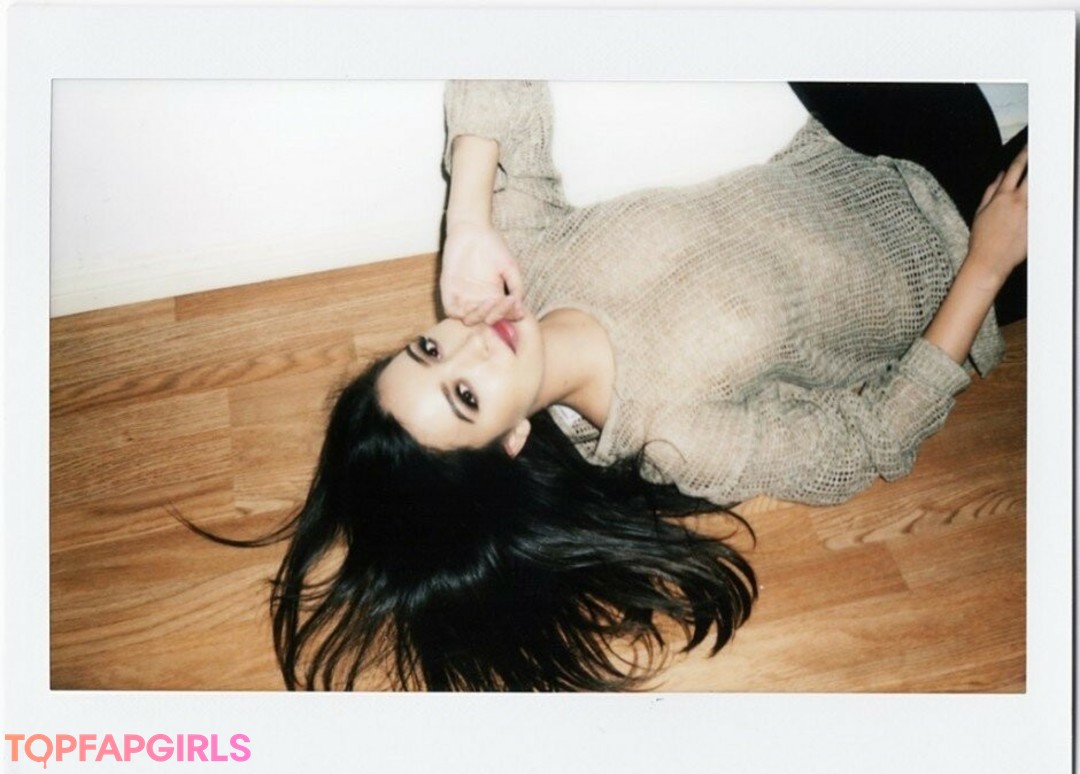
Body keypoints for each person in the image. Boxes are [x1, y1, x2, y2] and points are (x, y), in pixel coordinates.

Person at [212, 81, 1028, 692]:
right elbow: (870, 441)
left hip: (866, 141)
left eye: (428, 348)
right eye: (466, 395)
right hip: (966, 246)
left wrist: (467, 219)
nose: (469, 343)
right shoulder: (678, 432)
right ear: (511, 440)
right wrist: (988, 265)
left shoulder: (523, 258)